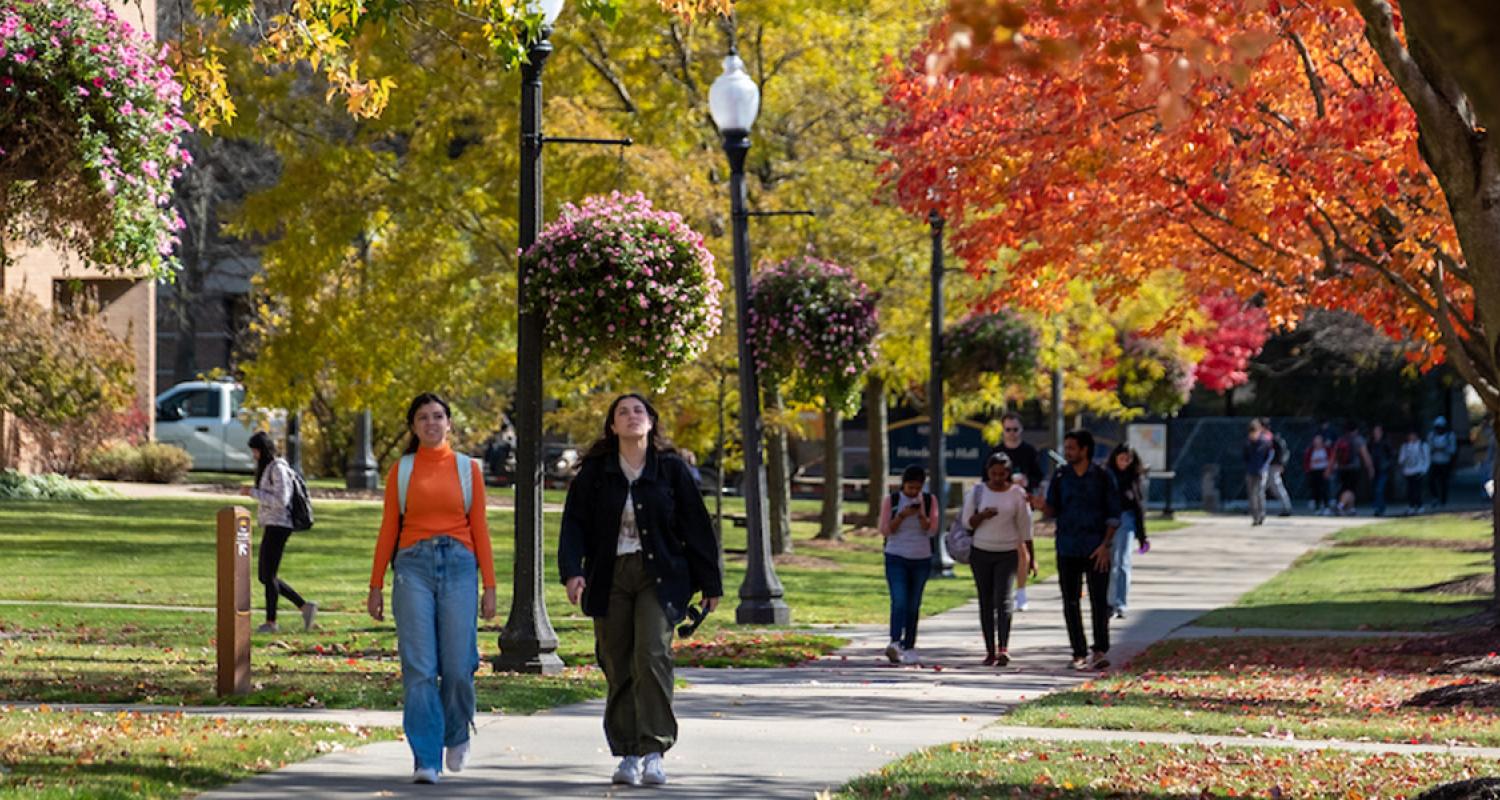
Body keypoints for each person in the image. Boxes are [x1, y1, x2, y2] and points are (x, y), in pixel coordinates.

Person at [558, 393, 722, 788]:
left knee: (651, 655)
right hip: (608, 576)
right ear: (612, 426)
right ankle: (627, 753)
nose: (631, 417)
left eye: (638, 411)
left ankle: (653, 752)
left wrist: (710, 583)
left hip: (659, 576)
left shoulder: (671, 470)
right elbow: (574, 524)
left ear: (650, 421)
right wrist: (572, 572)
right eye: (622, 412)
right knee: (617, 661)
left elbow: (696, 527)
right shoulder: (597, 472)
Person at [368, 393, 497, 785]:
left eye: (438, 416)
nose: (431, 423)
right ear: (413, 426)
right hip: (413, 569)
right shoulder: (402, 470)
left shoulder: (467, 469)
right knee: (420, 667)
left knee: (458, 666)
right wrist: (375, 584)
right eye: (423, 418)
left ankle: (456, 733)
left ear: (449, 423)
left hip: (460, 566)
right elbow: (389, 527)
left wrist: (489, 585)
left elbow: (480, 528)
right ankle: (425, 756)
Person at [1033, 429, 1120, 671]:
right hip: (1068, 546)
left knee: (1099, 602)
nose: (1067, 452)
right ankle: (1078, 652)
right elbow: (1053, 510)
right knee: (1070, 601)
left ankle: (1100, 649)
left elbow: (1114, 514)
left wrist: (1106, 545)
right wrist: (1041, 506)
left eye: (1072, 448)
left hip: (1096, 548)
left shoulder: (1102, 477)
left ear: (1084, 450)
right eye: (1067, 448)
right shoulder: (1061, 476)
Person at [961, 452, 1034, 667]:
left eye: (1002, 474)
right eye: (994, 473)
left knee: (1003, 599)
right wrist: (983, 515)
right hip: (981, 551)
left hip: (1008, 552)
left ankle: (1003, 648)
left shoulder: (1016, 494)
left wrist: (1031, 556)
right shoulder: (977, 492)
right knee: (986, 602)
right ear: (988, 472)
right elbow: (967, 522)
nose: (998, 478)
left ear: (1008, 473)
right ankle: (989, 650)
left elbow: (1025, 528)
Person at [243, 431, 316, 635]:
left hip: (280, 524)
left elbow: (281, 500)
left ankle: (272, 621)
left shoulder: (278, 469)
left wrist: (252, 493)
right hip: (271, 524)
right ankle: (303, 607)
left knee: (268, 575)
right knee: (266, 576)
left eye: (255, 451)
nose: (254, 455)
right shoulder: (268, 468)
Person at [878, 464, 940, 665]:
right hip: (896, 555)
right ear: (903, 484)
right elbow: (886, 531)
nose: (913, 492)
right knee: (899, 601)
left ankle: (910, 644)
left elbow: (931, 530)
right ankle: (895, 642)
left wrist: (921, 514)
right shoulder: (892, 500)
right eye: (910, 488)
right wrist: (902, 515)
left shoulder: (930, 501)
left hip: (921, 558)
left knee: (913, 604)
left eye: (917, 488)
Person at [988, 412, 1044, 611]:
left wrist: (1028, 482)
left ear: (1021, 430)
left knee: (1022, 548)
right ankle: (1001, 591)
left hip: (1021, 504)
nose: (1011, 433)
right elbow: (985, 479)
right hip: (999, 508)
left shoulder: (1029, 451)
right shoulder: (996, 452)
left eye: (1015, 429)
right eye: (1008, 429)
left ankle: (1020, 593)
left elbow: (1038, 475)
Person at [1105, 443, 1148, 619]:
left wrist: (1142, 536)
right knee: (1108, 563)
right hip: (1107, 521)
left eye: (1128, 459)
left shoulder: (1133, 478)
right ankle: (1108, 602)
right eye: (1121, 458)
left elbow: (1138, 506)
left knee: (1122, 562)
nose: (1124, 462)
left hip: (1126, 520)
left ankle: (1120, 603)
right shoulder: (1106, 476)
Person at [1331, 422, 1373, 516]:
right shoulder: (1358, 439)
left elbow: (1334, 455)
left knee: (1349, 488)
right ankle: (1340, 506)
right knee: (1349, 489)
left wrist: (1330, 468)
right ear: (1356, 430)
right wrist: (1370, 467)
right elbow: (1365, 455)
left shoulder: (1341, 439)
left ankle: (1351, 508)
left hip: (1341, 468)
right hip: (1353, 468)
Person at [1243, 419, 1273, 526]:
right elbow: (1245, 456)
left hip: (1261, 471)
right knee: (1252, 495)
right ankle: (1255, 516)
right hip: (1251, 471)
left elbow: (1269, 455)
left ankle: (1262, 514)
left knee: (1260, 493)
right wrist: (1248, 466)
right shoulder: (1248, 443)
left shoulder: (1265, 442)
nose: (1253, 436)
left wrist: (1264, 467)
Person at [1262, 420, 1293, 517]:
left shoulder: (1273, 438)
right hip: (1265, 466)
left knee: (1276, 486)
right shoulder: (1263, 438)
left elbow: (1282, 452)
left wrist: (1281, 464)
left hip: (1273, 466)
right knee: (1261, 487)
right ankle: (1257, 507)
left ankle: (1287, 507)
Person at [1428, 416, 1458, 508]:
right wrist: (1434, 449)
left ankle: (1443, 500)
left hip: (1445, 462)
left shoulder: (1450, 436)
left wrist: (1444, 449)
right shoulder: (1431, 435)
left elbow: (1453, 450)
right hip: (1434, 462)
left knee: (1443, 482)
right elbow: (1428, 448)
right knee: (1431, 481)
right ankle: (1435, 497)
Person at [1398, 429, 1430, 515]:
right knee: (1410, 490)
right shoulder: (1405, 446)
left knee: (1417, 489)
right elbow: (1401, 459)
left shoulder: (1422, 445)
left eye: (1412, 435)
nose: (1411, 437)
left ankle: (1420, 506)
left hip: (1419, 471)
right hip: (1408, 471)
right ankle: (1411, 506)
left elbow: (1427, 459)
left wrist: (1424, 470)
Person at [1368, 424, 1393, 516]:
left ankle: (1379, 508)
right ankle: (1379, 507)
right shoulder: (1371, 443)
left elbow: (1391, 455)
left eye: (1378, 431)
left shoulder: (1386, 442)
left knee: (1379, 489)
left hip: (1383, 469)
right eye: (1375, 431)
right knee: (1375, 489)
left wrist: (1387, 465)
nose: (1376, 433)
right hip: (1374, 469)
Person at [1303, 435, 1332, 514]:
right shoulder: (1310, 450)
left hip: (1324, 471)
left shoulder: (1326, 449)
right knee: (1316, 490)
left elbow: (1331, 459)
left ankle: (1327, 507)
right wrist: (1307, 470)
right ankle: (1317, 507)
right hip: (1314, 471)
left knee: (1325, 489)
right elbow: (1306, 461)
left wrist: (1329, 470)